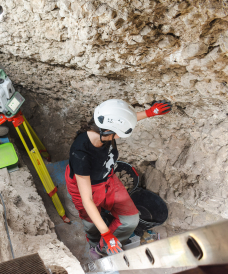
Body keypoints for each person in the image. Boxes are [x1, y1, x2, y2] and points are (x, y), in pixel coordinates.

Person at [65, 99, 172, 259]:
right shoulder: (81, 154)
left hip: (108, 178)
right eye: (118, 134)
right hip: (87, 187)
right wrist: (106, 234)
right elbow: (87, 200)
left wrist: (150, 113)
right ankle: (95, 243)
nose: (119, 138)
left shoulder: (102, 127)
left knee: (130, 220)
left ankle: (103, 248)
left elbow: (121, 119)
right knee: (92, 222)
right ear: (108, 131)